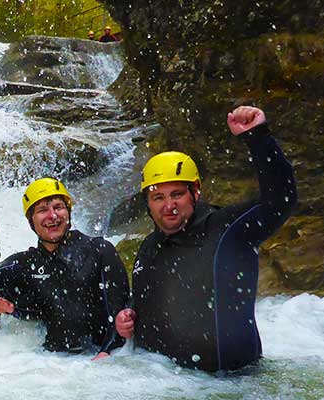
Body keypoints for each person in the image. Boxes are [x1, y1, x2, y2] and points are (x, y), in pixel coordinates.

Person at [115, 106, 296, 373]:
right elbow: (144, 302)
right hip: (161, 381)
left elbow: (281, 199)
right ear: (148, 203)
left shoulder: (228, 230)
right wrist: (126, 318)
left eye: (177, 194)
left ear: (195, 192)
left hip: (233, 383)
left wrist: (258, 137)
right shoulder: (149, 248)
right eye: (158, 197)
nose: (169, 206)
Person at [0, 177, 130, 360]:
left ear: (68, 212)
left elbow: (120, 310)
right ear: (31, 221)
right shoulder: (27, 263)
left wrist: (107, 351)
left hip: (100, 358)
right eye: (42, 210)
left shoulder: (99, 250)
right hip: (52, 365)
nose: (52, 216)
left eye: (58, 207)